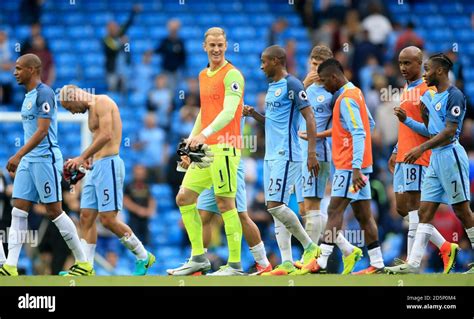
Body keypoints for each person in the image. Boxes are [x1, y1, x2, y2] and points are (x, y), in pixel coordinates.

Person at [0, 54, 92, 276]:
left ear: (32, 70)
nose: (15, 72)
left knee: (54, 211)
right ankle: (10, 266)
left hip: (45, 159)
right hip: (29, 160)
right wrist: (22, 157)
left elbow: (42, 131)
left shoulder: (45, 93)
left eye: (19, 68)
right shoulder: (29, 95)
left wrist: (18, 154)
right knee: (18, 209)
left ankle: (84, 263)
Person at [385, 53, 474, 274]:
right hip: (435, 158)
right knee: (423, 211)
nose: (424, 74)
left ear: (440, 71)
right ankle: (414, 264)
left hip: (450, 156)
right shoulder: (432, 98)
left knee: (462, 211)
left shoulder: (455, 96)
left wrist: (421, 148)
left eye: (427, 70)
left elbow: (449, 132)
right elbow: (430, 131)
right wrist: (407, 121)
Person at [170, 27, 245, 276]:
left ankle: (234, 264)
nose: (216, 49)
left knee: (225, 203)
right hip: (206, 149)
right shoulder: (203, 75)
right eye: (212, 45)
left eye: (220, 45)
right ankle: (198, 257)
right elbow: (205, 112)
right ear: (204, 46)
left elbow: (229, 111)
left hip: (225, 146)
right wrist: (191, 142)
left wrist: (204, 135)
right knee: (184, 198)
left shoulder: (232, 75)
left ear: (226, 45)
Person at [59, 84, 154, 276]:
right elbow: (98, 141)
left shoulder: (102, 102)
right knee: (86, 216)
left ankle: (143, 256)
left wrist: (81, 156)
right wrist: (85, 160)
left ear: (74, 96)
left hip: (109, 164)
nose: (73, 113)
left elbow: (106, 135)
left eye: (70, 108)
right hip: (96, 167)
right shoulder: (91, 110)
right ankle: (86, 267)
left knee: (108, 220)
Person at [301, 58, 385, 275]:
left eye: (325, 81)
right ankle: (377, 263)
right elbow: (370, 124)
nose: (325, 86)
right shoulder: (356, 92)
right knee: (363, 214)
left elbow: (359, 132)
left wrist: (356, 167)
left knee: (333, 210)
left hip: (350, 166)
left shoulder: (345, 99)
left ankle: (320, 262)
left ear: (334, 78)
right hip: (360, 165)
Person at [244, 45, 320, 276]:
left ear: (277, 61)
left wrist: (311, 153)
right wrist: (255, 115)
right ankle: (286, 261)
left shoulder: (293, 85)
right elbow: (274, 121)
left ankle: (310, 247)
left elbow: (310, 118)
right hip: (271, 155)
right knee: (279, 208)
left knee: (275, 206)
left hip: (287, 155)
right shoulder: (272, 87)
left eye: (264, 61)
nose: (261, 65)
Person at [168, 117, 272, 276]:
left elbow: (227, 125)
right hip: (207, 158)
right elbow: (202, 123)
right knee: (204, 214)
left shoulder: (232, 99)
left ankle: (262, 262)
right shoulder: (210, 99)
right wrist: (190, 152)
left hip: (227, 159)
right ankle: (198, 262)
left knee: (240, 214)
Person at [293, 45, 334, 269]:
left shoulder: (333, 92)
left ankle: (309, 259)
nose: (315, 68)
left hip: (317, 155)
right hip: (299, 154)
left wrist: (319, 136)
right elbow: (285, 111)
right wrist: (304, 84)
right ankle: (348, 248)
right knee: (304, 210)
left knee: (312, 207)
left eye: (319, 65)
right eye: (313, 63)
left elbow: (344, 125)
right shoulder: (303, 87)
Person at [123, 164, 156, 246]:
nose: (140, 175)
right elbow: (125, 201)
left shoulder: (147, 185)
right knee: (134, 241)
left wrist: (150, 210)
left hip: (145, 219)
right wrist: (138, 210)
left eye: (141, 173)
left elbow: (151, 199)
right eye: (138, 173)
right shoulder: (129, 186)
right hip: (133, 219)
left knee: (146, 241)